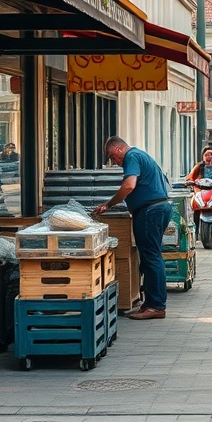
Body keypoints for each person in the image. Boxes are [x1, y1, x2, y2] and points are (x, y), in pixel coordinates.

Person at [92, 136, 171, 320]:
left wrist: (109, 204)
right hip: (157, 208)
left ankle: (157, 306)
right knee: (150, 257)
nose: (115, 162)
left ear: (119, 149)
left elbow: (129, 185)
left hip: (150, 211)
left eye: (113, 157)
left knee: (151, 258)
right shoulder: (141, 155)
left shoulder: (131, 157)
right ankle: (150, 303)